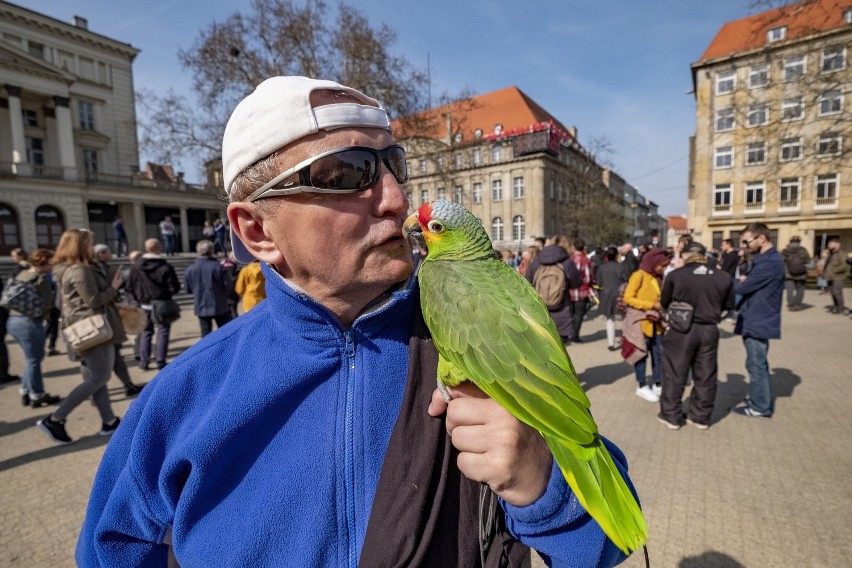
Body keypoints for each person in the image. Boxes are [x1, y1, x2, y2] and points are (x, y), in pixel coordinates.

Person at [77, 76, 635, 567]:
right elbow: (110, 549)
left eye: (394, 165)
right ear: (257, 232)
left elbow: (607, 543)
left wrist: (542, 482)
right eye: (346, 173)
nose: (394, 198)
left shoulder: (474, 323)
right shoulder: (186, 396)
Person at [40, 229, 123, 444]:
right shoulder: (80, 270)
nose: (92, 247)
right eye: (89, 243)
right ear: (80, 245)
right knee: (99, 377)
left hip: (82, 330)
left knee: (96, 378)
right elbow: (94, 301)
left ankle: (109, 420)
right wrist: (114, 288)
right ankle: (55, 418)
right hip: (92, 330)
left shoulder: (65, 270)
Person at [658, 242, 733, 430]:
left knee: (675, 372)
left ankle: (671, 416)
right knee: (706, 374)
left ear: (685, 255)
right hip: (709, 329)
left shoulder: (676, 275)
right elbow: (729, 304)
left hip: (681, 330)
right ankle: (700, 416)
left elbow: (664, 301)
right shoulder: (723, 277)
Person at [731, 223, 785, 419]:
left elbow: (742, 287)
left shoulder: (770, 262)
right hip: (756, 316)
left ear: (761, 238)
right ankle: (757, 398)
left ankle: (760, 406)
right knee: (754, 363)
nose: (745, 246)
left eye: (747, 241)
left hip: (758, 319)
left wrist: (739, 281)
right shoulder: (764, 259)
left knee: (756, 364)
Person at [6, 248, 62, 407]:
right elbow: (50, 303)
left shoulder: (21, 274)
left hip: (14, 321)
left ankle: (25, 389)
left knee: (31, 360)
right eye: (51, 263)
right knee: (34, 361)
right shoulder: (40, 279)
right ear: (44, 262)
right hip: (30, 322)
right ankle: (37, 394)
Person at [93, 244, 143, 396]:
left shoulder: (106, 269)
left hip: (110, 317)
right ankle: (94, 393)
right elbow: (95, 299)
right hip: (98, 321)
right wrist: (114, 288)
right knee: (96, 363)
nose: (110, 254)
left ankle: (128, 384)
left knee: (116, 356)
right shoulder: (92, 271)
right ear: (100, 254)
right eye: (107, 252)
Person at [623, 248, 671, 403]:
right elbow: (628, 298)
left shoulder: (657, 277)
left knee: (658, 354)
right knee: (641, 354)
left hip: (656, 323)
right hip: (641, 323)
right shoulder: (639, 276)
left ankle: (658, 382)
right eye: (661, 266)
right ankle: (642, 385)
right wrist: (650, 305)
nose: (662, 269)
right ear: (653, 262)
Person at [128, 239, 180, 370]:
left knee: (146, 333)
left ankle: (144, 362)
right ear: (159, 248)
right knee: (163, 332)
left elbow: (129, 287)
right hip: (162, 304)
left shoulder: (136, 267)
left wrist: (138, 298)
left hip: (144, 304)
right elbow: (175, 287)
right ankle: (160, 361)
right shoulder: (165, 267)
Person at [525, 234, 580, 344]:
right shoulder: (567, 262)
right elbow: (576, 283)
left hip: (541, 312)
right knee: (561, 350)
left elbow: (527, 282)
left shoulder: (537, 260)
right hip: (563, 310)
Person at [183, 239, 234, 337]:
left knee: (205, 334)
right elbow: (229, 285)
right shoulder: (218, 267)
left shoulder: (190, 269)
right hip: (220, 305)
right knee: (225, 333)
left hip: (201, 305)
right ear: (211, 251)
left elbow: (188, 289)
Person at [595, 247, 627, 351]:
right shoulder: (621, 267)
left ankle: (611, 343)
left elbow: (598, 283)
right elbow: (626, 279)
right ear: (617, 255)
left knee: (610, 319)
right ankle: (625, 340)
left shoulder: (602, 268)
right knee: (624, 318)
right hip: (620, 295)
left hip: (607, 295)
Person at [568, 238, 593, 343]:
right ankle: (575, 336)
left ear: (574, 247)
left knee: (571, 315)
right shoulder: (585, 260)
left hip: (569, 292)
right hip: (582, 292)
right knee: (579, 315)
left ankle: (568, 334)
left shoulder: (569, 259)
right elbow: (588, 278)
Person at [781, 236, 810, 311]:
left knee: (789, 291)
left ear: (790, 242)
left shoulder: (785, 250)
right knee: (800, 290)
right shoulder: (803, 250)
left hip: (788, 274)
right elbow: (808, 261)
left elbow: (781, 262)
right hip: (801, 274)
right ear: (799, 242)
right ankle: (797, 305)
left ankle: (791, 305)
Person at [823, 237, 847, 315]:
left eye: (831, 244)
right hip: (830, 277)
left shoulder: (842, 253)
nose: (829, 245)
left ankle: (841, 309)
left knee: (837, 292)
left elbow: (843, 265)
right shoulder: (830, 253)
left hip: (838, 277)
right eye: (829, 244)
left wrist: (834, 271)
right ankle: (836, 307)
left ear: (837, 244)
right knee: (832, 293)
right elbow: (827, 265)